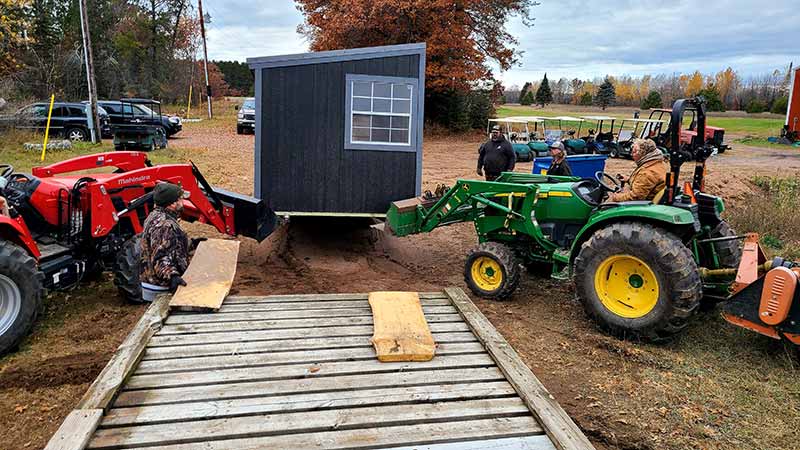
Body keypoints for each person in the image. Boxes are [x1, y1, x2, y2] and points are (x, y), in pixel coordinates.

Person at [139, 182, 204, 301]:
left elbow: (170, 246)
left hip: (154, 281)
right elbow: (159, 256)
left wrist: (192, 243)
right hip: (161, 285)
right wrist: (172, 276)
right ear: (172, 203)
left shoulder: (156, 216)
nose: (182, 202)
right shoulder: (164, 224)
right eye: (180, 199)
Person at [607, 138, 666, 202]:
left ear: (643, 154)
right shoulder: (656, 163)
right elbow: (643, 183)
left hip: (643, 204)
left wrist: (616, 197)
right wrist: (629, 179)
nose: (632, 155)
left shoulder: (648, 172)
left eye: (634, 152)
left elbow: (636, 197)